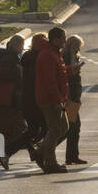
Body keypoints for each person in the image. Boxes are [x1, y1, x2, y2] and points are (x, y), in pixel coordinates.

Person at [0, 35, 37, 166]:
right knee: (12, 127)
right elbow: (4, 75)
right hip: (6, 97)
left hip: (4, 97)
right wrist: (19, 72)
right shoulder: (9, 58)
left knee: (11, 127)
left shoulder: (6, 56)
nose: (22, 48)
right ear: (15, 45)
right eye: (21, 45)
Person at [35, 26, 71, 173]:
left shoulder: (54, 52)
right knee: (55, 129)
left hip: (56, 97)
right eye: (63, 38)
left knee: (63, 127)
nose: (64, 41)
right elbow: (49, 80)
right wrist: (57, 100)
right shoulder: (48, 54)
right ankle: (50, 162)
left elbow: (58, 73)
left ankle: (40, 152)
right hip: (49, 99)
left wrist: (70, 70)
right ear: (55, 39)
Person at [63, 34, 88, 166]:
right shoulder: (67, 56)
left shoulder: (72, 56)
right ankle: (71, 156)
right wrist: (73, 55)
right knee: (72, 127)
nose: (78, 49)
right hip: (70, 96)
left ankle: (72, 156)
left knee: (73, 127)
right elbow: (70, 71)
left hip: (74, 96)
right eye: (77, 47)